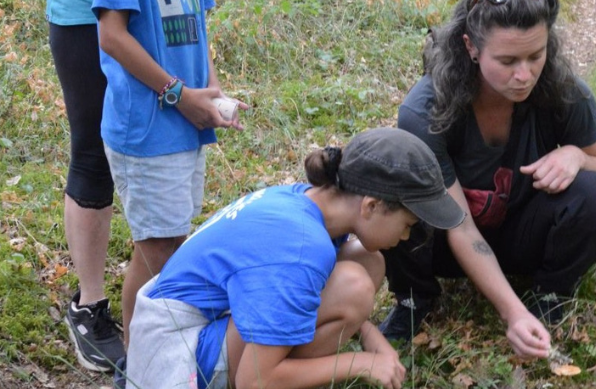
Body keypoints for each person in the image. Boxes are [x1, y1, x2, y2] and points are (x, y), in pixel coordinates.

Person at [379, 0, 596, 359]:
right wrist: (511, 313)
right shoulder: (426, 109)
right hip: (447, 240)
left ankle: (551, 291)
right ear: (471, 47)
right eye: (508, 60)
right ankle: (414, 299)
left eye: (536, 55)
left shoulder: (565, 92)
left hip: (521, 234)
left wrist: (575, 155)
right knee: (391, 182)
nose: (524, 75)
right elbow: (458, 226)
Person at [120, 127, 465, 389]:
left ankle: (288, 357)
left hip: (184, 320)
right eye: (407, 225)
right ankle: (289, 368)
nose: (405, 237)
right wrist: (359, 363)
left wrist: (369, 333)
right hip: (174, 354)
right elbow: (254, 381)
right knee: (354, 286)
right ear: (371, 206)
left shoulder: (313, 203)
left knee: (367, 261)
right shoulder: (301, 248)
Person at [89, 0, 250, 376]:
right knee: (159, 251)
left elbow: (197, 26)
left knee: (166, 243)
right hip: (148, 129)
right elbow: (111, 35)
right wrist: (178, 94)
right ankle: (139, 369)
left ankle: (141, 365)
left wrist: (209, 94)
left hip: (185, 123)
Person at [44, 0, 124, 373]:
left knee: (159, 145)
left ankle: (158, 300)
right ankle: (88, 307)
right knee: (94, 153)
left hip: (145, 1)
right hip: (83, 7)